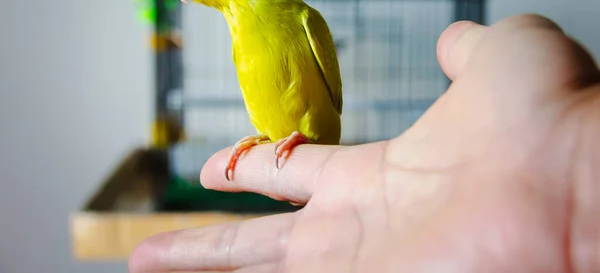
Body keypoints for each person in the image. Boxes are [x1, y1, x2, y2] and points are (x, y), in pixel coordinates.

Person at [128, 14, 600, 272]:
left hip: (316, 139)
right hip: (280, 155)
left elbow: (330, 102)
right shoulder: (235, 30)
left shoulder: (301, 18)